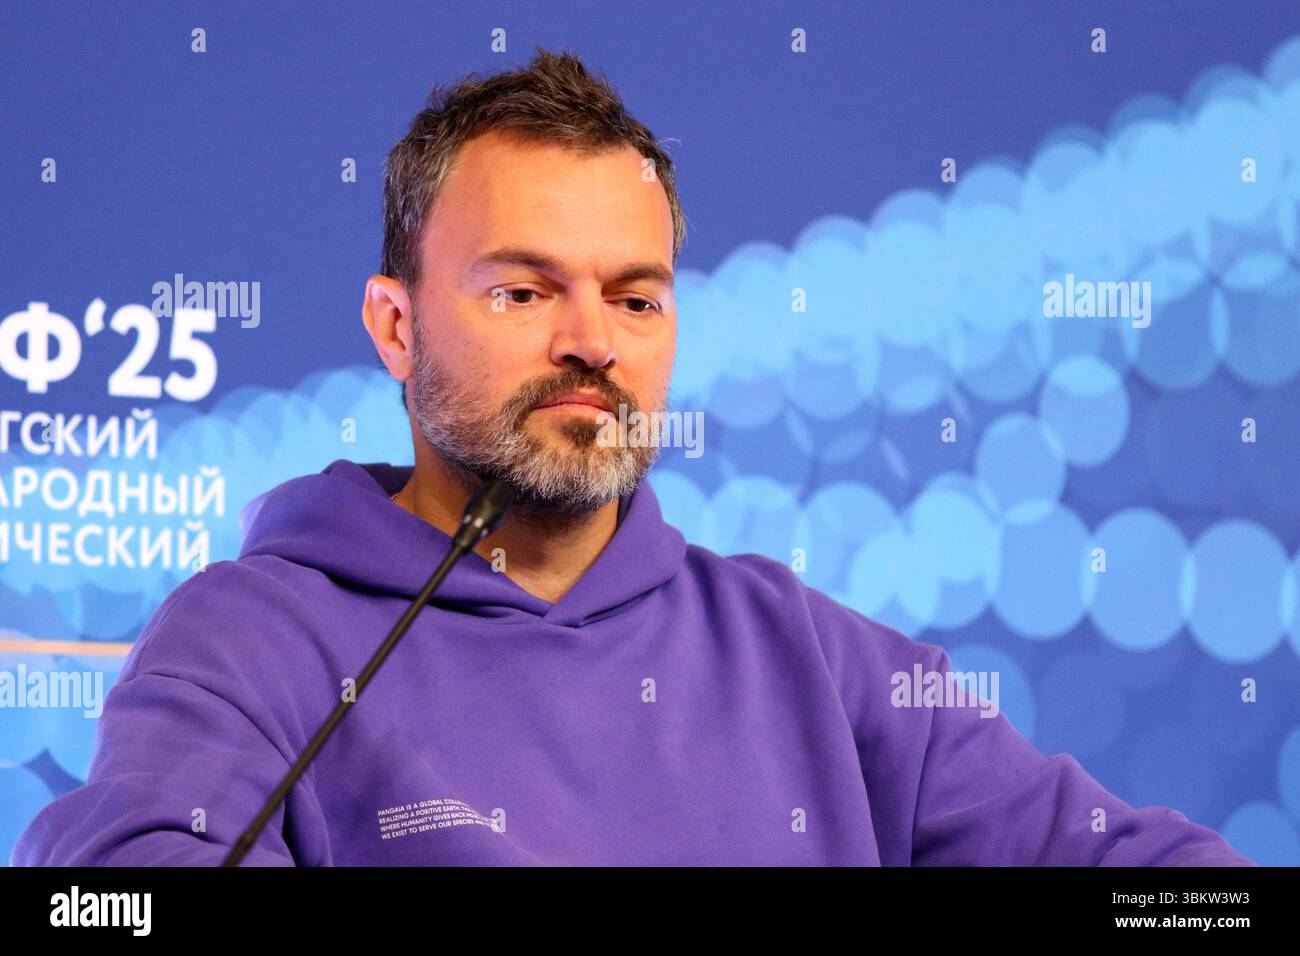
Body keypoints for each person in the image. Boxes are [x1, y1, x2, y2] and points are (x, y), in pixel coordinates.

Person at [12, 48, 1252, 867]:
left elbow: (1144, 875)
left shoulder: (804, 648)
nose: (591, 343)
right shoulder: (252, 636)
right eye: (522, 291)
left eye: (637, 298)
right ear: (395, 325)